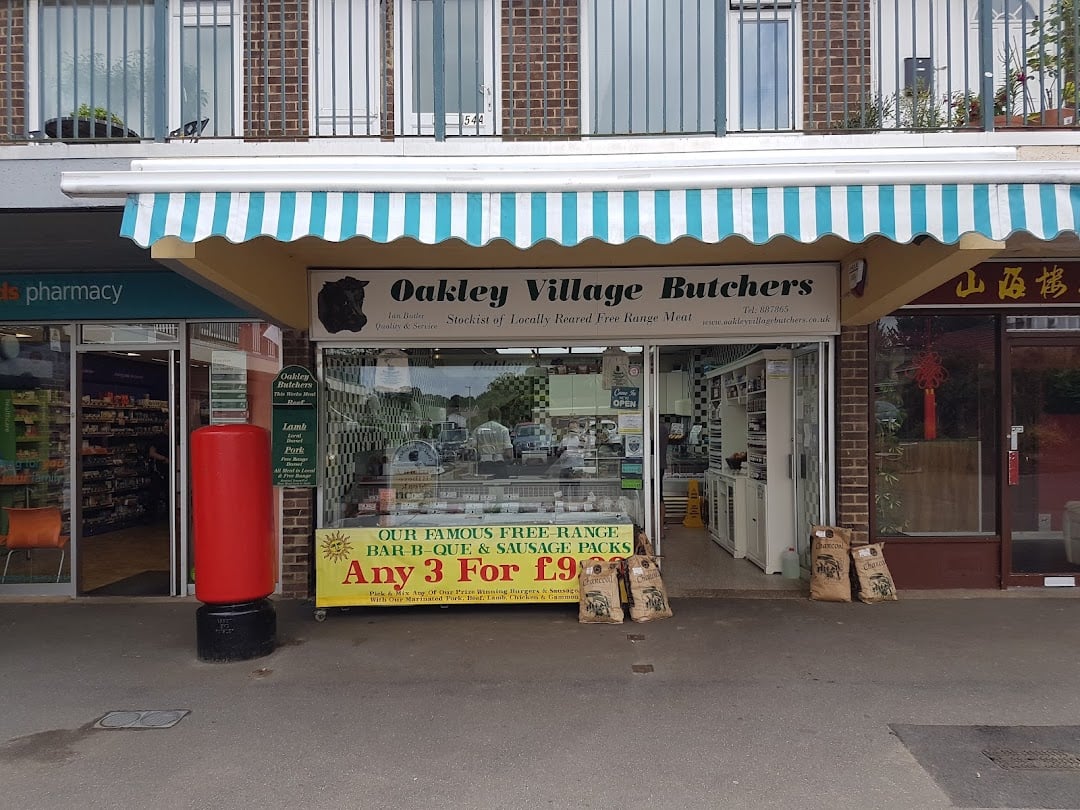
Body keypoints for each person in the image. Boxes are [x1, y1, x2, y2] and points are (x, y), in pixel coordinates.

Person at [473, 406, 512, 476]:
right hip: (500, 464)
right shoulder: (503, 430)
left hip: (484, 464)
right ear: (499, 416)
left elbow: (473, 448)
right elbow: (508, 453)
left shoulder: (478, 430)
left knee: (484, 485)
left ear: (488, 416)